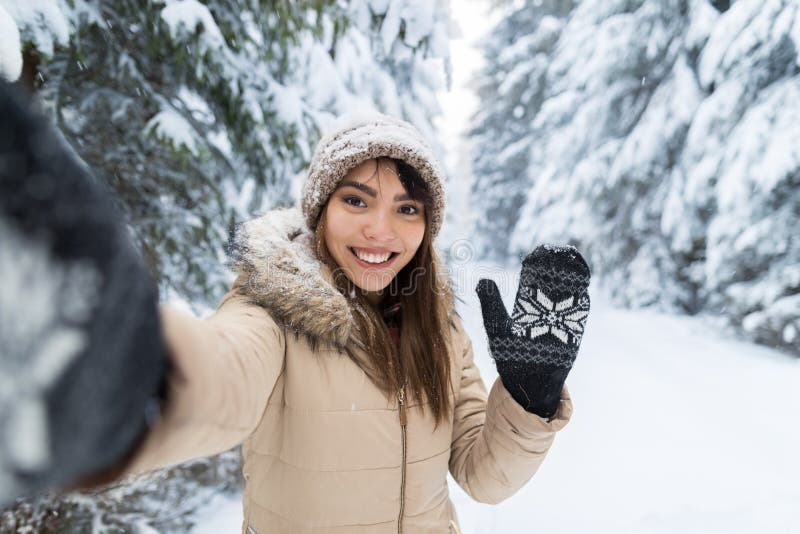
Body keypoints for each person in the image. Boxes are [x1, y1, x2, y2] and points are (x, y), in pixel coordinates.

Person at [0, 80, 590, 533]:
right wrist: (129, 374)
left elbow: (481, 478)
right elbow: (223, 373)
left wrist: (526, 403)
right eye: (357, 200)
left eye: (408, 209)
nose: (381, 231)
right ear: (320, 210)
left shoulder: (440, 328)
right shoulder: (275, 312)